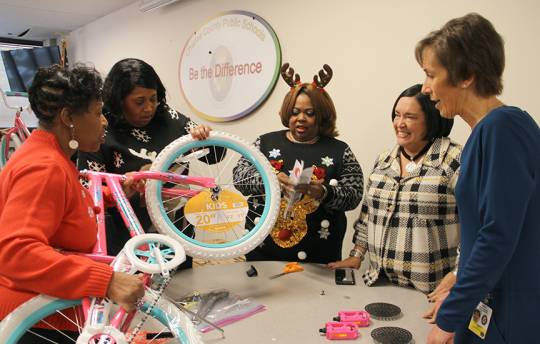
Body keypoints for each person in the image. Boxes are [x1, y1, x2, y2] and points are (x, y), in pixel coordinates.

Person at [416, 13, 540, 344]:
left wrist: (449, 318)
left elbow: (498, 234)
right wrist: (458, 278)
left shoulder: (504, 128)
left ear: (467, 75)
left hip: (509, 316)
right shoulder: (485, 133)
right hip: (487, 305)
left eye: (431, 75)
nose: (426, 89)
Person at [0, 65, 144, 341]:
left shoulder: (51, 156)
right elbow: (16, 253)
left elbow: (64, 208)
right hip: (33, 325)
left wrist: (115, 196)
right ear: (68, 117)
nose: (104, 122)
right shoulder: (45, 167)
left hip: (46, 316)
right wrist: (107, 281)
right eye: (98, 112)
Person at [77, 58, 215, 264]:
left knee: (181, 289)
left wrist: (205, 136)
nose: (149, 108)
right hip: (126, 240)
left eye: (154, 98)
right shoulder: (101, 127)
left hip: (176, 233)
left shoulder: (168, 116)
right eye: (139, 102)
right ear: (119, 100)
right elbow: (89, 195)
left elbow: (214, 156)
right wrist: (129, 187)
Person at [328, 84, 461, 295]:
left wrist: (458, 275)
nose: (400, 123)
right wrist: (356, 254)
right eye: (397, 115)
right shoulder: (384, 160)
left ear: (432, 119)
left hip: (431, 292)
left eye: (410, 117)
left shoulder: (454, 160)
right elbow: (367, 214)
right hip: (379, 283)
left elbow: (476, 226)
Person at [233, 63, 363, 264]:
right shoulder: (265, 142)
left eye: (310, 113)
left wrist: (323, 192)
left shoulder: (340, 150)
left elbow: (354, 196)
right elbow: (239, 178)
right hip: (262, 256)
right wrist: (270, 179)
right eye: (295, 112)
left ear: (322, 115)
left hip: (319, 260)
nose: (300, 118)